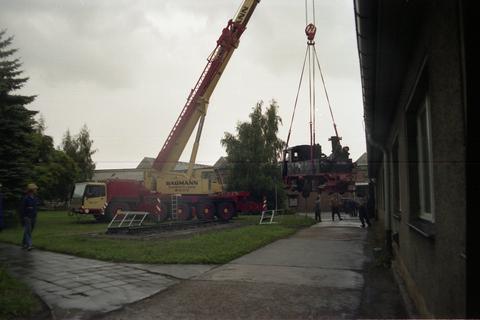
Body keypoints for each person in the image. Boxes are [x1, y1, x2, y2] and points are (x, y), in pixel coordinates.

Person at [21, 183, 39, 250]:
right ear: (31, 190)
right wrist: (27, 209)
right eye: (35, 189)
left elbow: (35, 206)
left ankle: (23, 243)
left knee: (28, 231)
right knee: (28, 231)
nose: (36, 190)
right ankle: (29, 245)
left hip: (33, 216)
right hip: (27, 216)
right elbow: (22, 208)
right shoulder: (26, 198)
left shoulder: (35, 198)